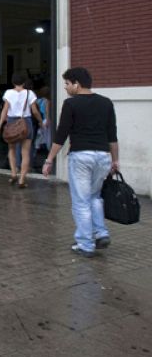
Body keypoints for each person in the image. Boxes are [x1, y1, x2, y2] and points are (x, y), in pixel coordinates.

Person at [42, 68, 119, 257]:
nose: (66, 88)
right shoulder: (106, 103)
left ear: (76, 83)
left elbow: (61, 135)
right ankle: (100, 233)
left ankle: (85, 244)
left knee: (81, 202)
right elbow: (112, 134)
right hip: (102, 156)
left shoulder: (71, 104)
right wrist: (115, 159)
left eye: (67, 84)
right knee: (95, 197)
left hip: (81, 157)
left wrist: (49, 159)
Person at [0, 73, 43, 188]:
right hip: (26, 123)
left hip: (11, 123)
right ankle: (22, 180)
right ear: (24, 82)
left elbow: (5, 110)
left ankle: (13, 173)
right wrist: (40, 121)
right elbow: (35, 111)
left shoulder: (8, 93)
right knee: (25, 153)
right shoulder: (30, 93)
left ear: (13, 82)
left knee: (11, 150)